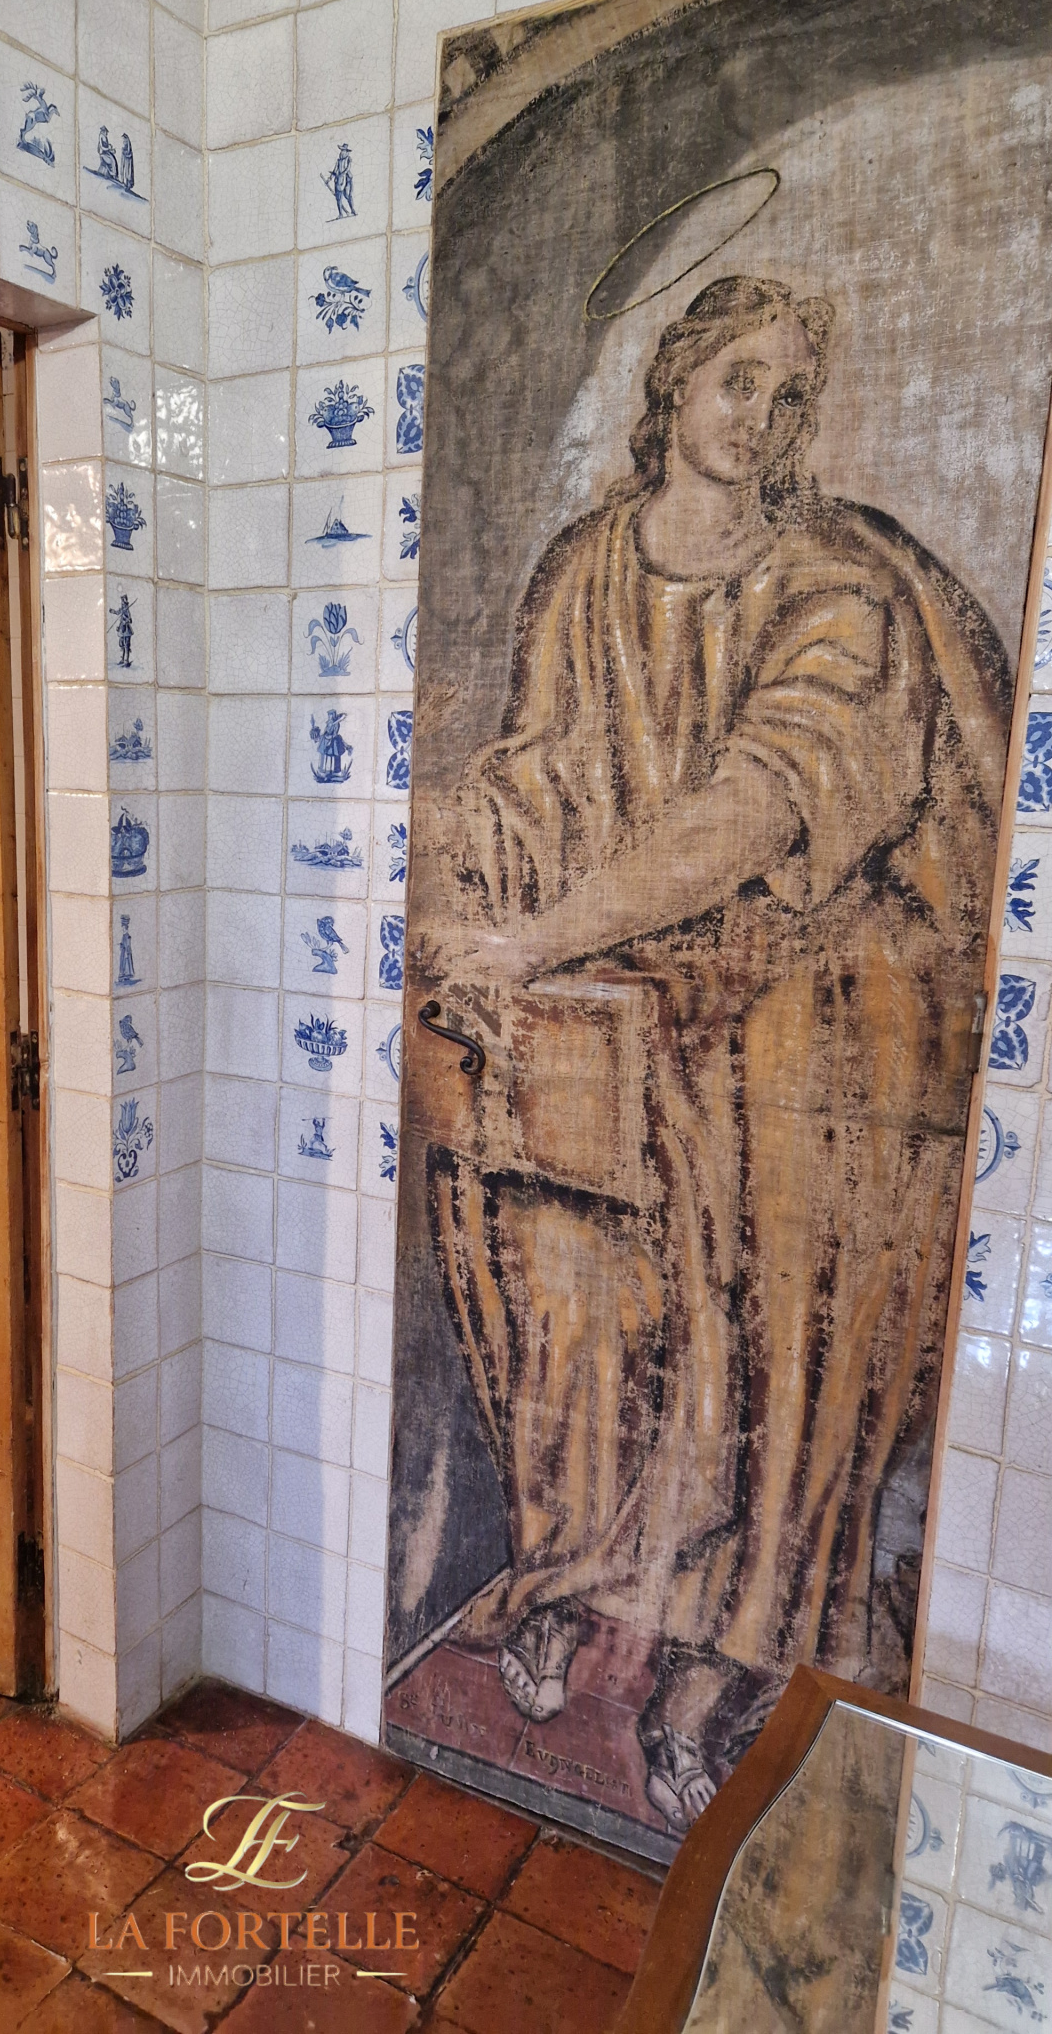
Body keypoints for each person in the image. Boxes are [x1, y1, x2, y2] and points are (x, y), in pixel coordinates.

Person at [422, 275, 1009, 1832]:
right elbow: (541, 776)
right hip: (627, 985)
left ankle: (734, 1646)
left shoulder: (838, 590)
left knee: (785, 1219)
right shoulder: (584, 570)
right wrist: (463, 886)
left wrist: (539, 941)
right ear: (674, 382)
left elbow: (757, 807)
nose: (759, 415)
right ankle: (579, 1562)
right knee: (532, 1210)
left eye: (787, 393)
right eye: (736, 378)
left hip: (815, 1005)